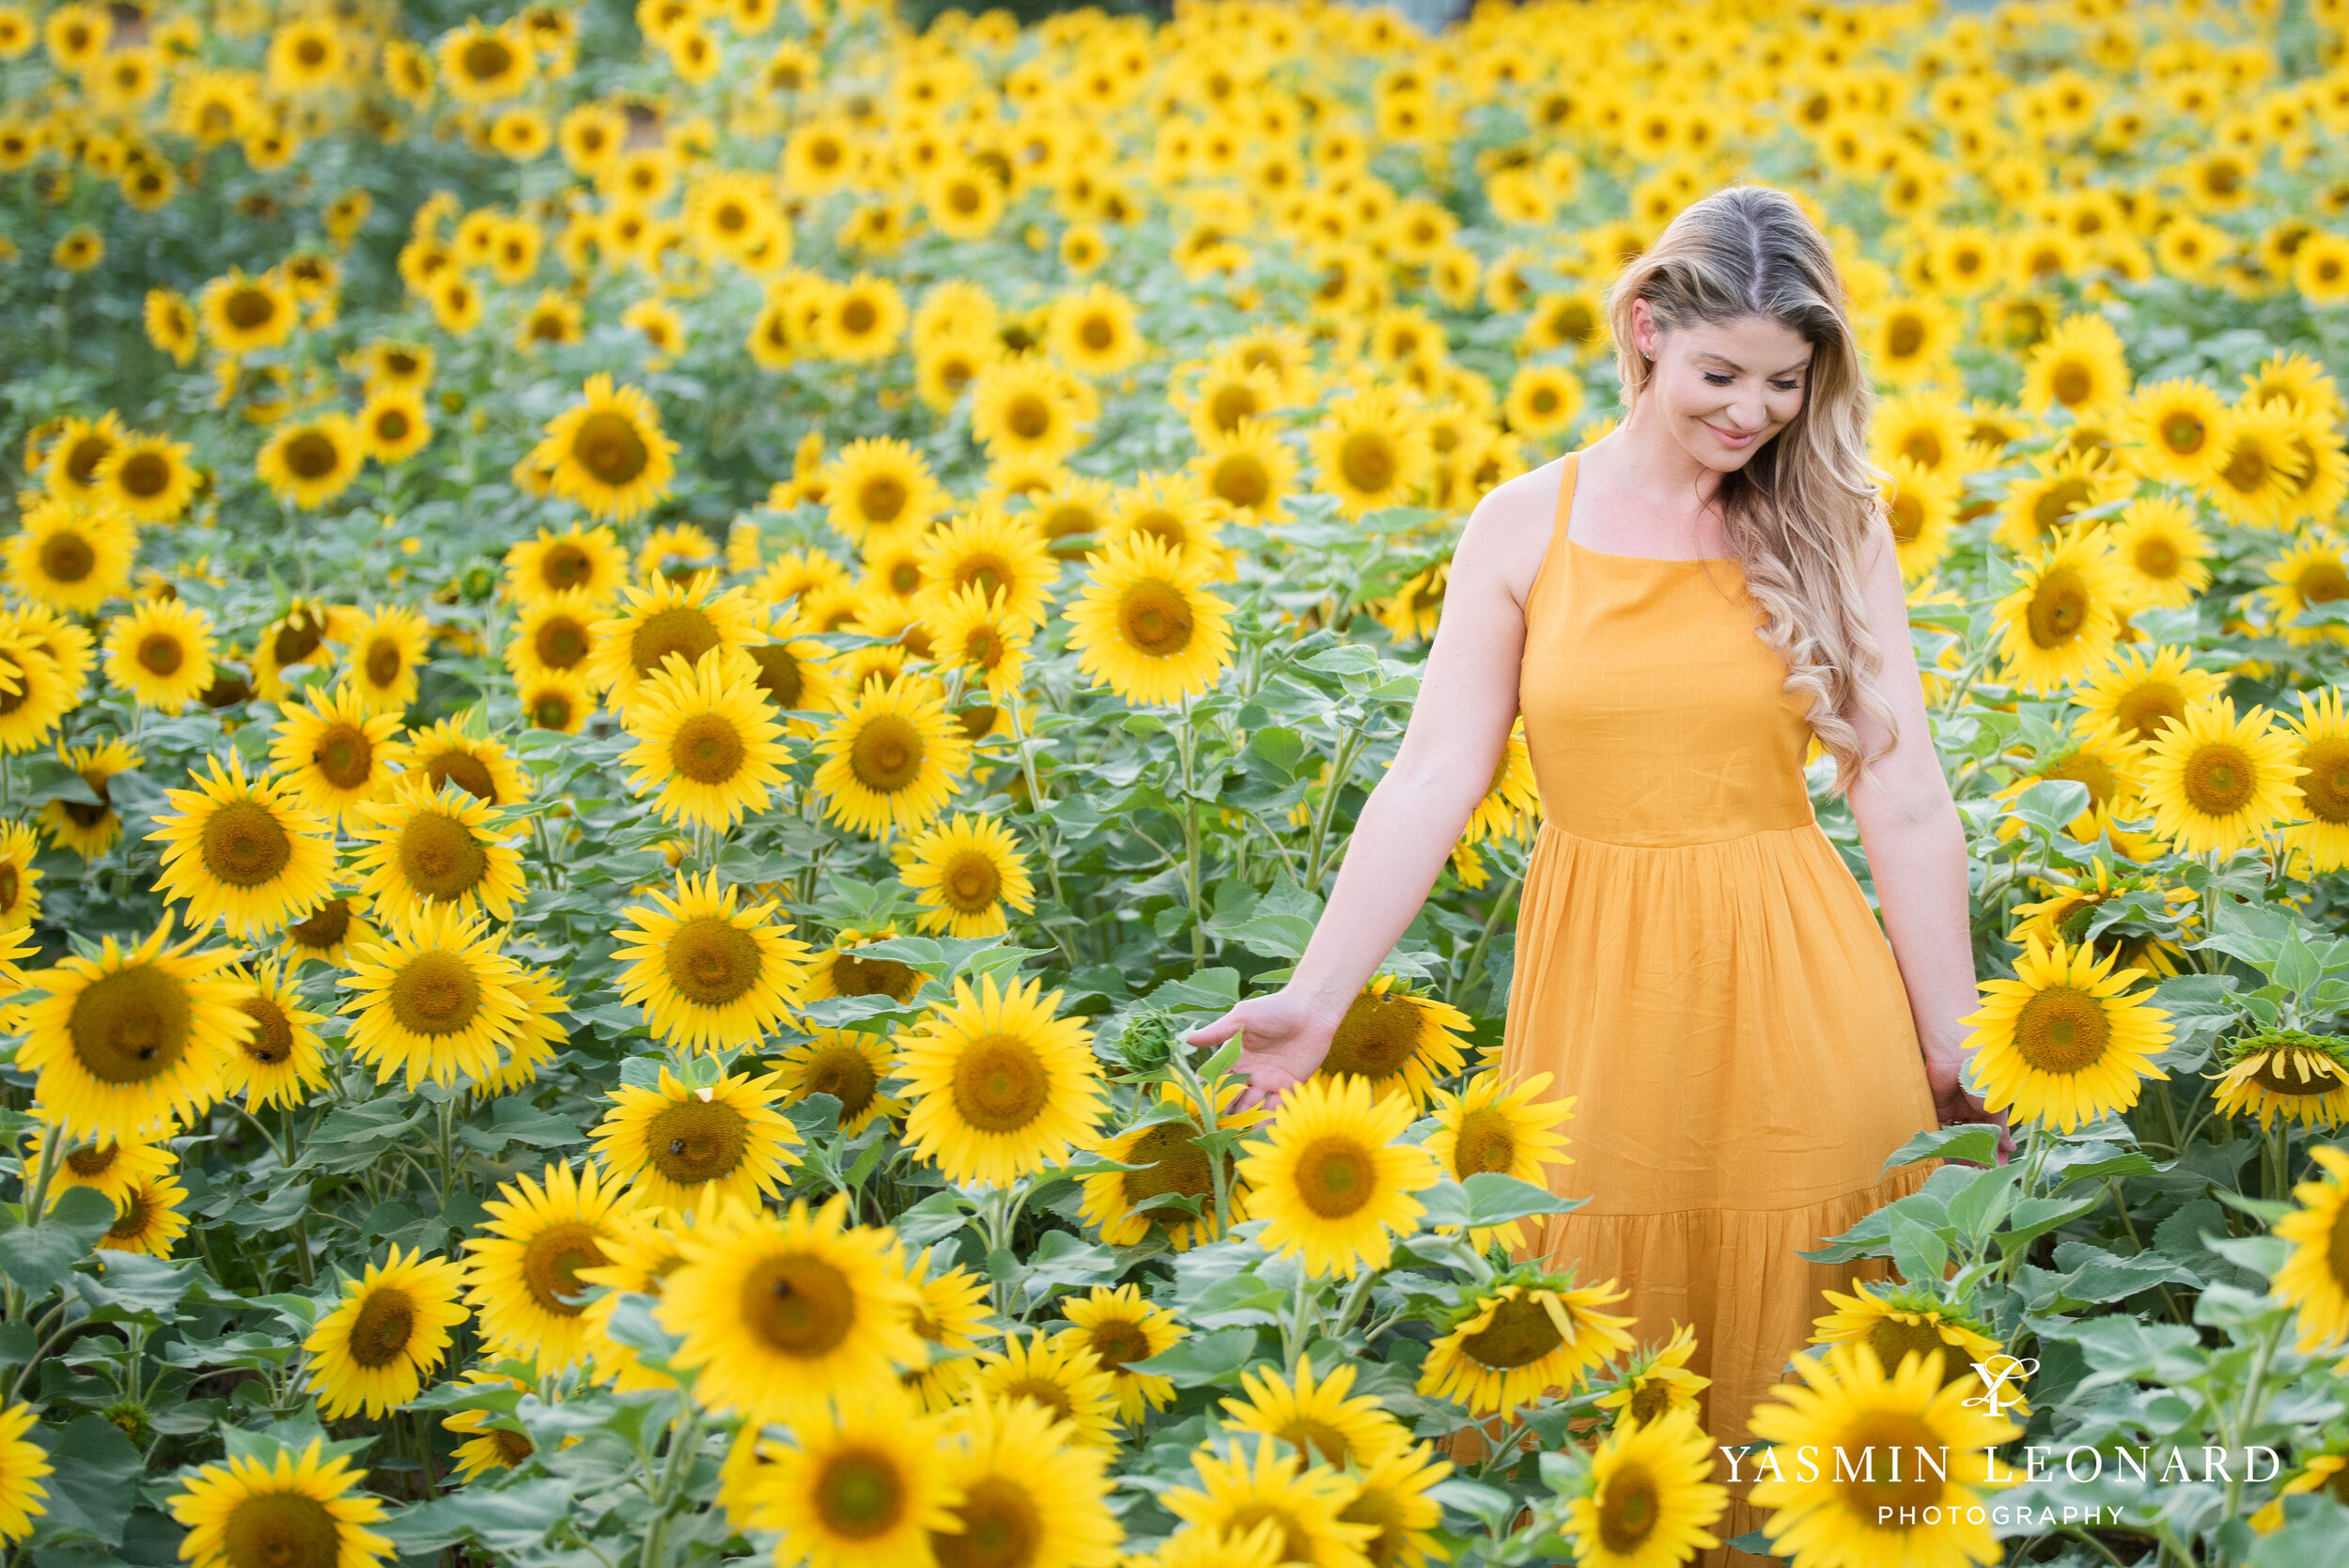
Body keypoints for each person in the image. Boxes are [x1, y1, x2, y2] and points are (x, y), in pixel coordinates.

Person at [1185, 184, 2011, 1561]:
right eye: (1722, 375)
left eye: (1787, 384)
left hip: (1805, 994)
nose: (1753, 413)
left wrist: (1956, 1045)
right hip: (1597, 1008)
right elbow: (1434, 772)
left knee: (1820, 1407)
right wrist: (1316, 999)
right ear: (1644, 333)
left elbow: (1904, 793)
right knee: (1591, 1401)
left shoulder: (1830, 520)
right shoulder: (1523, 524)